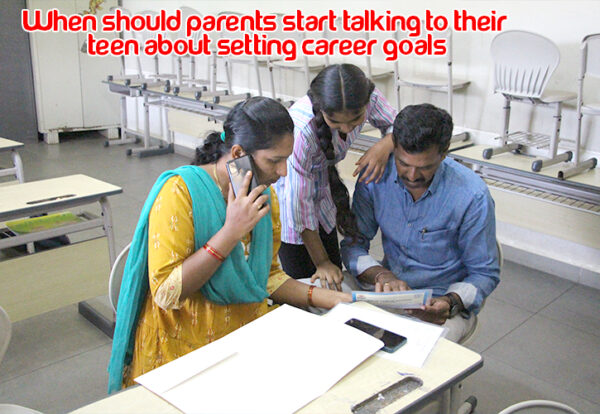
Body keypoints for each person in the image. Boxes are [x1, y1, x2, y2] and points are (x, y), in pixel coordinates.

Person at [107, 97, 351, 393]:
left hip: (244, 338)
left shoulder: (261, 196)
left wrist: (331, 300)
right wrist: (230, 232)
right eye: (274, 161)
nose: (283, 172)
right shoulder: (179, 193)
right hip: (183, 352)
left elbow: (267, 276)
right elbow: (166, 294)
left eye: (287, 159)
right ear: (238, 153)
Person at [340, 104, 500, 343]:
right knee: (321, 293)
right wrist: (382, 276)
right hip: (386, 290)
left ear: (444, 153)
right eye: (403, 163)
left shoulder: (471, 196)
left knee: (421, 350)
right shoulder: (376, 176)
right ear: (394, 148)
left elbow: (483, 273)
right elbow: (354, 244)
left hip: (438, 302)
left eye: (425, 167)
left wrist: (450, 302)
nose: (412, 176)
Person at [275, 64, 398, 291]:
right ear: (321, 109)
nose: (345, 129)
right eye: (336, 122)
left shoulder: (366, 96)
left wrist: (383, 145)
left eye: (355, 120)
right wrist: (321, 263)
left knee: (335, 279)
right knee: (306, 289)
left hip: (323, 198)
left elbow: (396, 123)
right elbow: (298, 209)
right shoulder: (301, 133)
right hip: (292, 212)